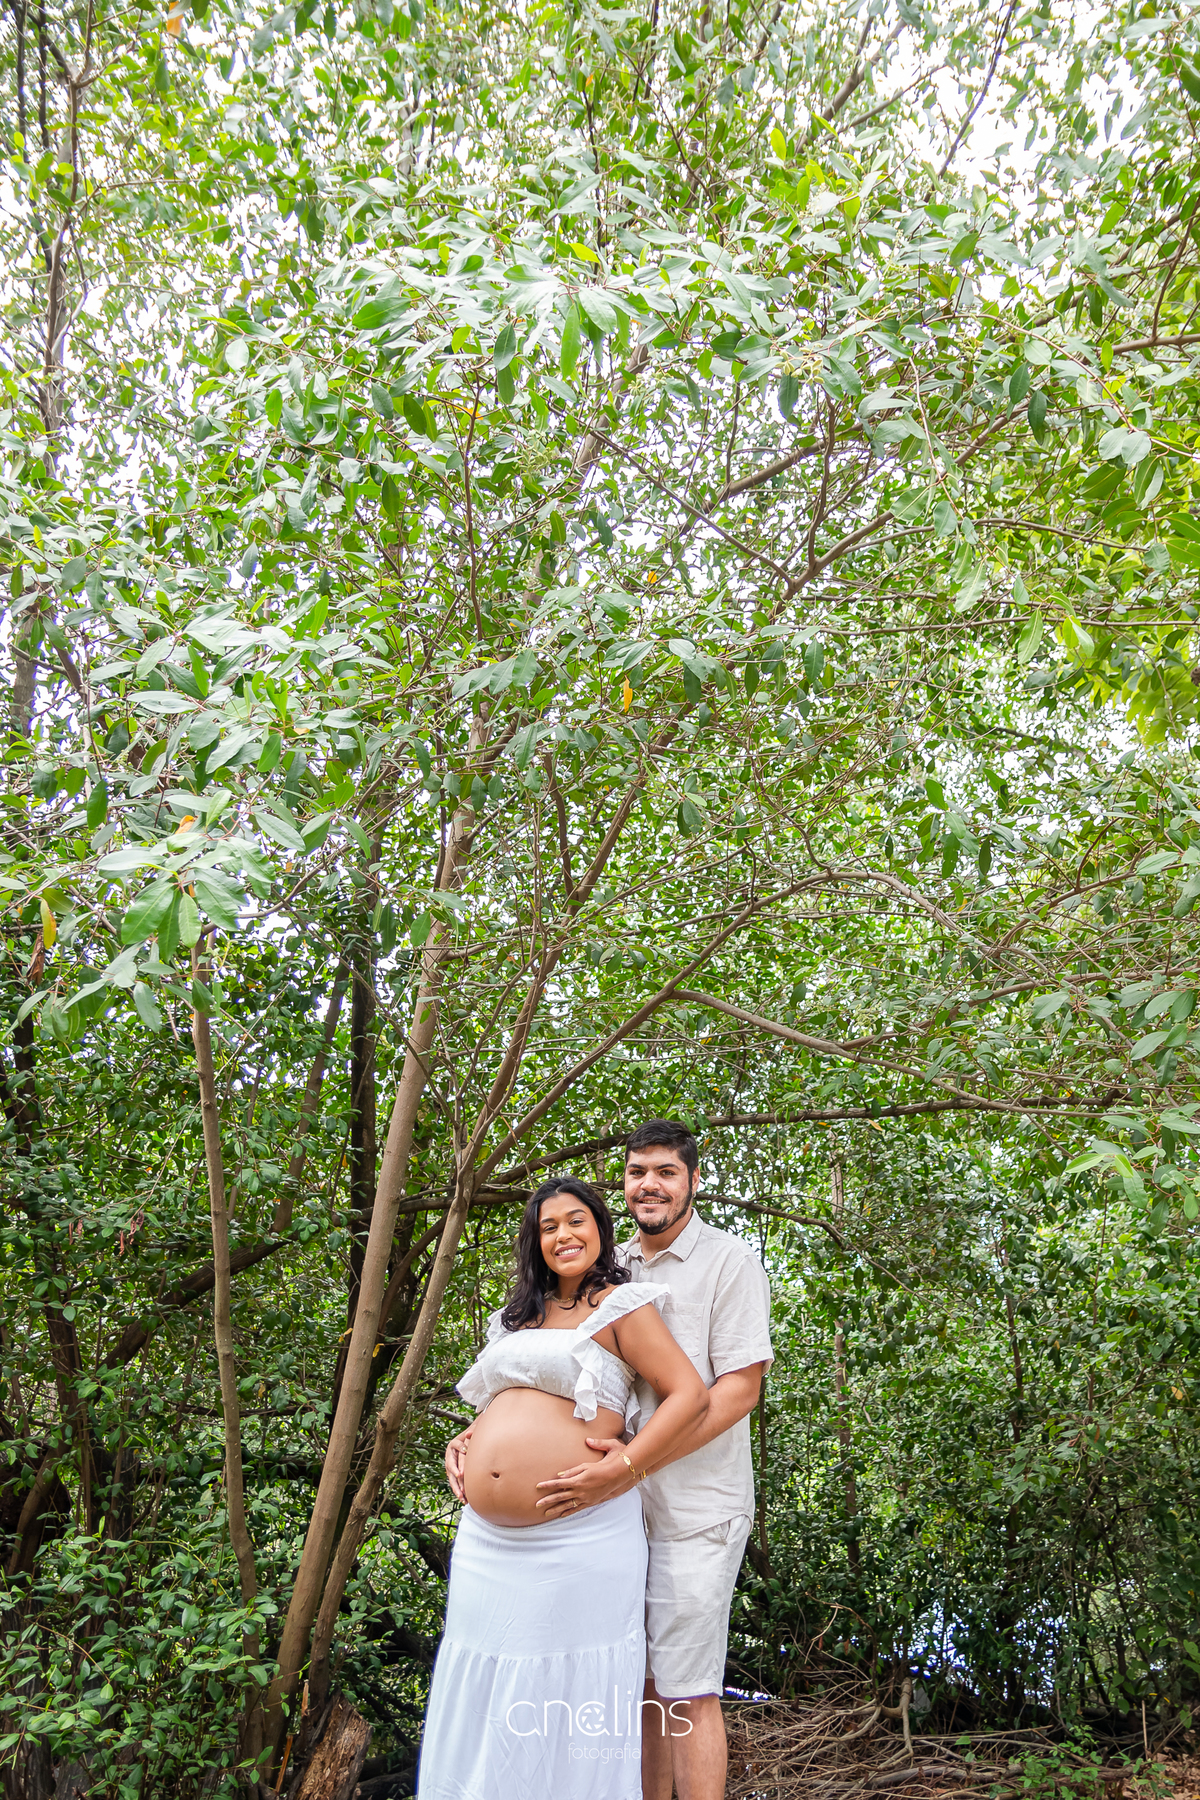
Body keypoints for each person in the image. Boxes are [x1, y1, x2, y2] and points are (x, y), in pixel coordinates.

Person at [420, 1176, 708, 1800]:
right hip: (486, 1544)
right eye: (548, 1227)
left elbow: (690, 1395)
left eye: (575, 1221)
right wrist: (467, 1441)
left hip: (578, 1538)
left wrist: (625, 1466)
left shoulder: (621, 1306)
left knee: (560, 1693)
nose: (563, 1236)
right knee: (485, 1682)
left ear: (600, 1230)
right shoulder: (515, 1317)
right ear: (535, 1243)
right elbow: (505, 1400)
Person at [527, 1121, 773, 1800]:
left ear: (693, 1181)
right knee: (639, 1683)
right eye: (637, 1173)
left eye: (665, 1172)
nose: (649, 1185)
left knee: (689, 1689)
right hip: (616, 1516)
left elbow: (739, 1390)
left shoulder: (730, 1262)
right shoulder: (612, 1268)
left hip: (697, 1508)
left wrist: (633, 1461)